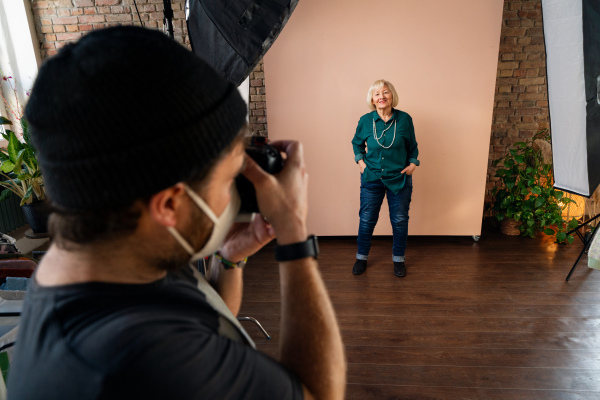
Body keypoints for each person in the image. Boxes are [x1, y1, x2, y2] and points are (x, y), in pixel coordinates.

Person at [7, 26, 346, 400]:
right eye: (231, 177)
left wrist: (230, 258)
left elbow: (210, 314)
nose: (237, 192)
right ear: (169, 205)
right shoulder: (143, 361)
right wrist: (294, 232)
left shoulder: (108, 254)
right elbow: (319, 393)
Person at [351, 79, 420, 277]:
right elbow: (357, 144)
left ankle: (399, 260)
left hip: (399, 179)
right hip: (371, 177)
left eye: (386, 92)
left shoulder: (405, 119)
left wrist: (413, 164)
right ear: (372, 99)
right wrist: (361, 163)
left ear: (392, 96)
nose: (382, 96)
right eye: (377, 94)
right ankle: (361, 258)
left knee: (399, 220)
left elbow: (413, 146)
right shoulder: (366, 121)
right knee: (366, 219)